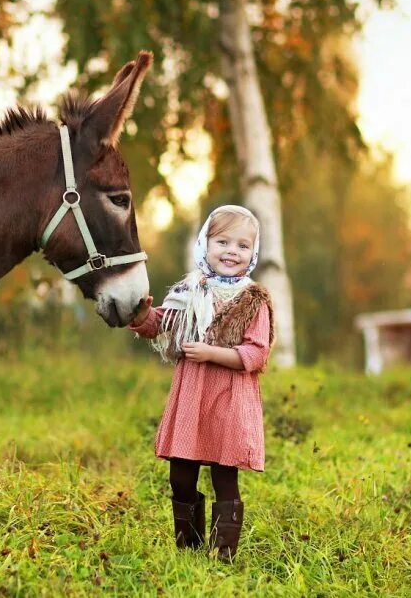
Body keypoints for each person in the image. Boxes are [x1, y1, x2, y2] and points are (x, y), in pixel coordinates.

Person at [128, 205, 273, 561]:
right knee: (181, 476)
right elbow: (161, 324)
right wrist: (142, 315)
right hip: (192, 395)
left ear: (253, 253)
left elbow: (256, 354)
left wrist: (210, 353)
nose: (231, 252)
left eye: (242, 246)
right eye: (222, 242)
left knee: (224, 477)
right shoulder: (189, 290)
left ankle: (223, 556)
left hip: (229, 398)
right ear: (205, 244)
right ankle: (189, 551)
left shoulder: (253, 300)